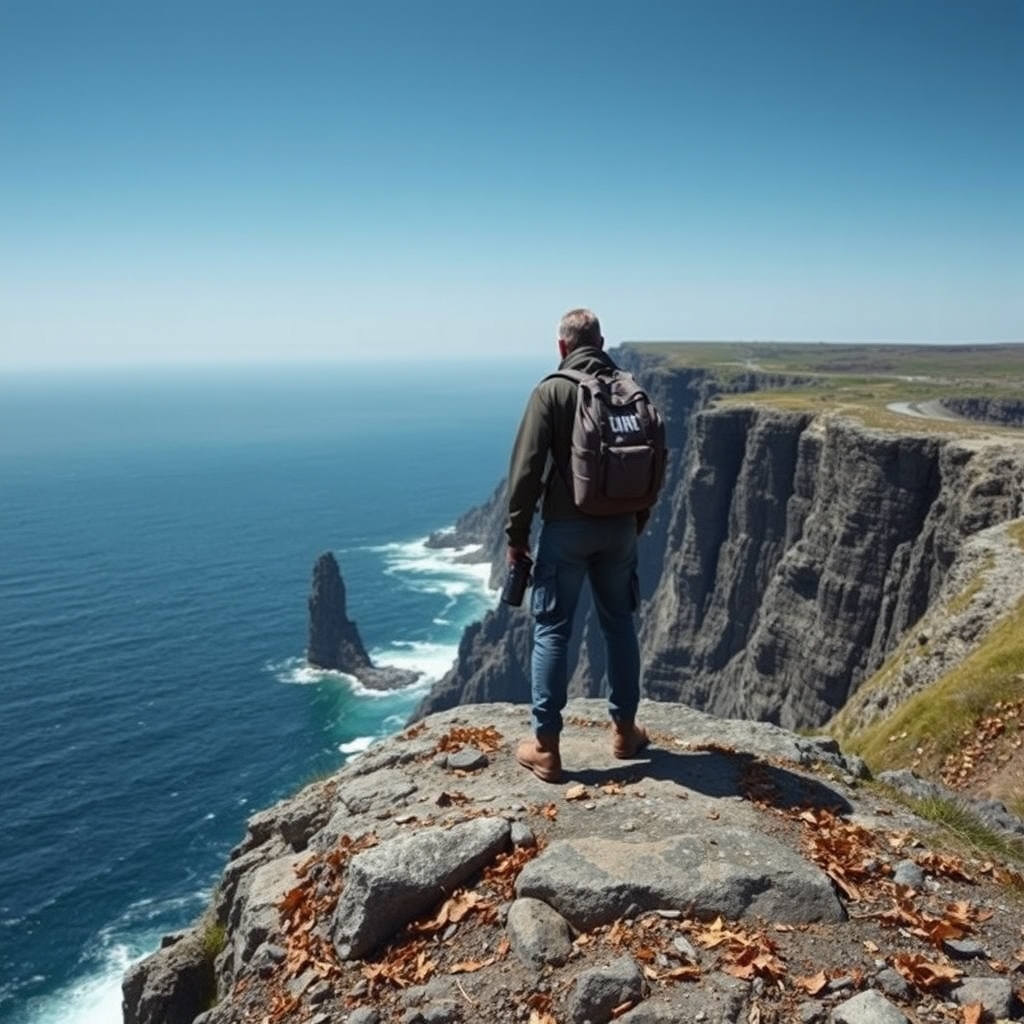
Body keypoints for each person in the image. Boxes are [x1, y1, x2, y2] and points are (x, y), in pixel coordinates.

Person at [507, 308, 651, 783]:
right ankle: (625, 733)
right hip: (620, 528)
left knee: (553, 630)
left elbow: (526, 471)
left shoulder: (552, 389)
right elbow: (654, 463)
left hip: (567, 532)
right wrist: (636, 522)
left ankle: (546, 748)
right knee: (618, 627)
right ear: (602, 341)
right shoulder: (628, 389)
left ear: (562, 347)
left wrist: (516, 538)